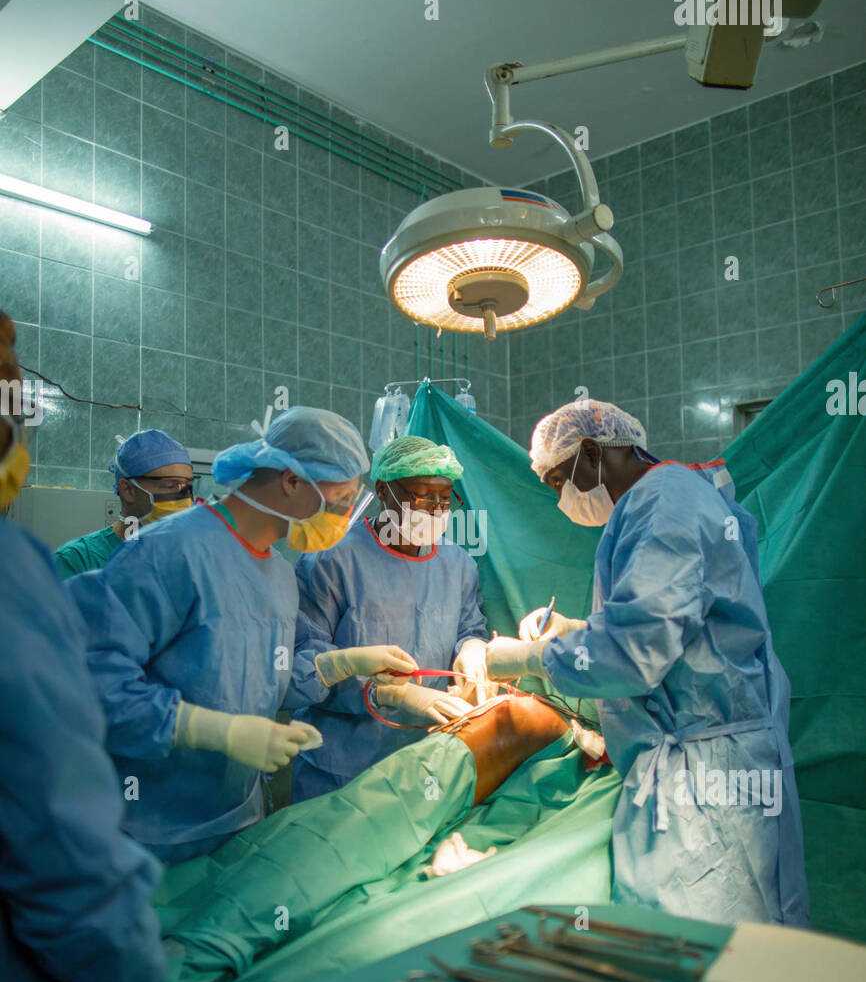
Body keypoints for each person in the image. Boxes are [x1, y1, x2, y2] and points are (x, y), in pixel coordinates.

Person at [484, 397, 810, 929]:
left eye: (557, 481)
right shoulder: (677, 495)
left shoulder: (661, 503)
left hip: (703, 780)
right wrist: (578, 631)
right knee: (749, 946)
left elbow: (637, 650)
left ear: (590, 453)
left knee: (701, 950)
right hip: (714, 756)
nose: (560, 498)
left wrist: (529, 657)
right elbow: (675, 626)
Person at [67, 407, 415, 863]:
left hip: (237, 818)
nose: (345, 518)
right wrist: (215, 731)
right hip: (145, 830)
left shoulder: (278, 574)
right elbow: (90, 679)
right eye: (338, 501)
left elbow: (256, 680)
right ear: (291, 481)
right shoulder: (171, 551)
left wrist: (340, 663)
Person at [0, 311, 168, 982]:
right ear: (124, 489)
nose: (175, 502)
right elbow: (48, 791)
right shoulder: (53, 567)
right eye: (160, 492)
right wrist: (131, 980)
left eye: (186, 491)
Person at [289, 434, 491, 802]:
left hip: (428, 757)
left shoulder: (457, 563)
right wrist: (385, 692)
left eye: (444, 499)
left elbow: (469, 626)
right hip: (344, 768)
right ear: (384, 492)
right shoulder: (332, 561)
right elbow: (304, 666)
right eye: (421, 496)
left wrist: (473, 647)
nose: (434, 509)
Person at [54, 428, 194, 578]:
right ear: (128, 490)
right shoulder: (78, 561)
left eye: (188, 486)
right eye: (170, 486)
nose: (185, 499)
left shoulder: (189, 556)